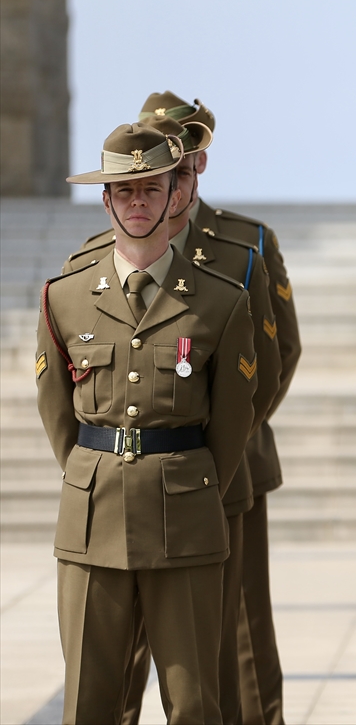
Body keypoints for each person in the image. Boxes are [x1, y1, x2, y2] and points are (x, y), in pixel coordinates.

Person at [64, 113, 284, 724]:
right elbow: (62, 415)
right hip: (100, 504)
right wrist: (100, 470)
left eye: (155, 185)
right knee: (96, 689)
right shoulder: (70, 287)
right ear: (106, 197)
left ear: (180, 188)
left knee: (209, 679)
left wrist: (195, 475)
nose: (141, 199)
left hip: (195, 493)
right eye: (125, 189)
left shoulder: (229, 276)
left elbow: (253, 385)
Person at [141, 91, 300, 725]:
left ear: (200, 160)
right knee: (124, 642)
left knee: (240, 629)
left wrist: (221, 442)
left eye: (179, 160)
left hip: (228, 467)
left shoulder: (247, 242)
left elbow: (277, 352)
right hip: (137, 467)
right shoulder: (113, 248)